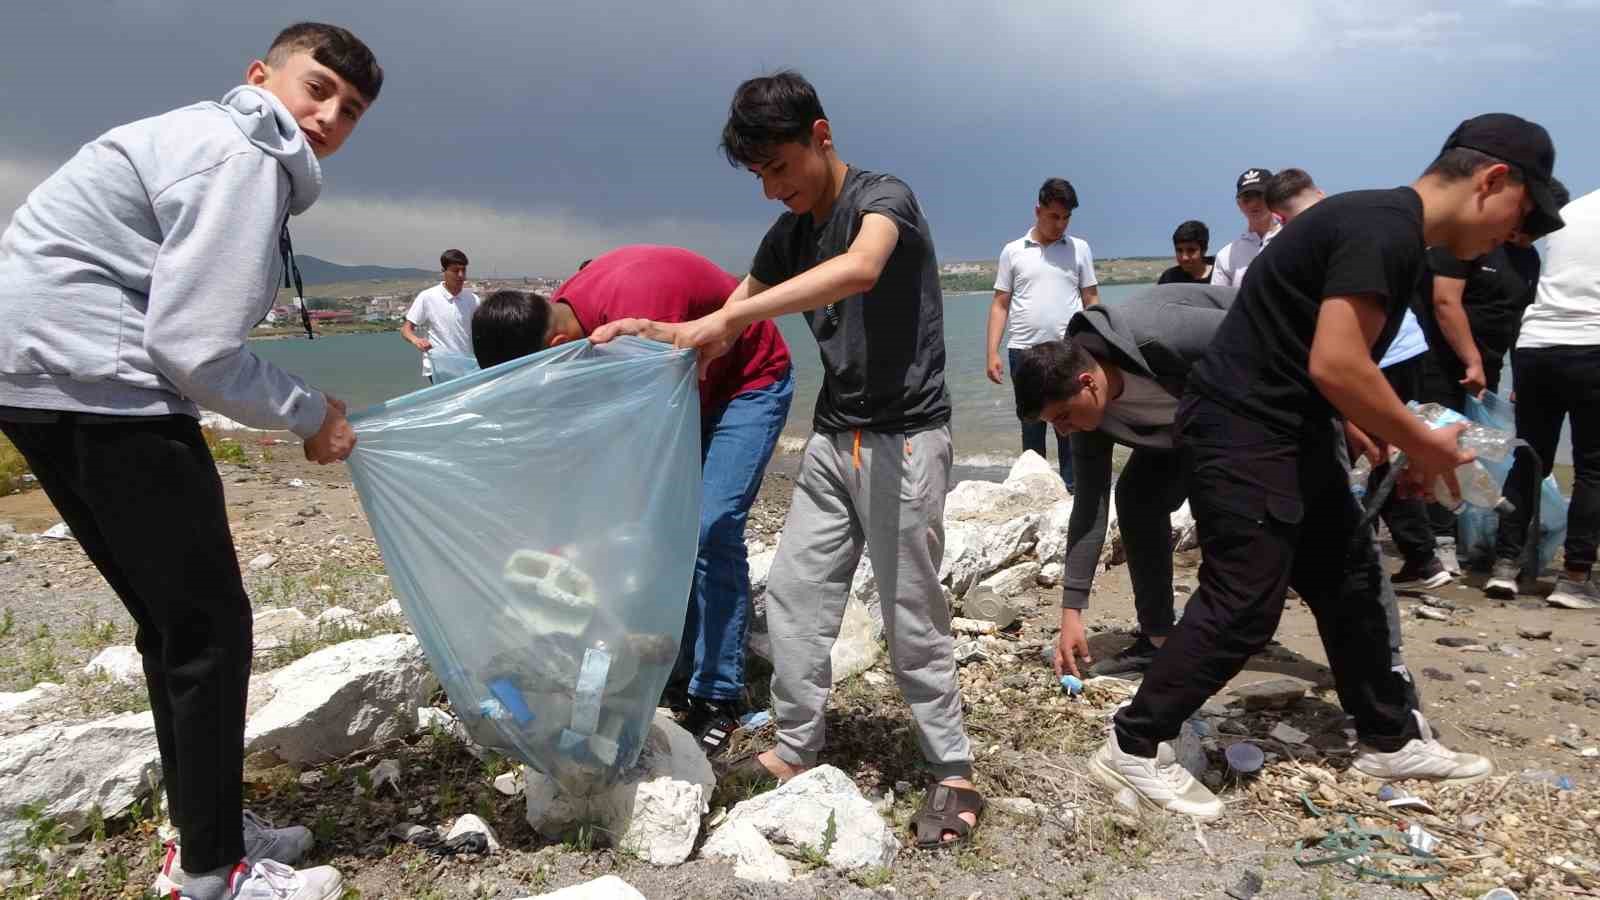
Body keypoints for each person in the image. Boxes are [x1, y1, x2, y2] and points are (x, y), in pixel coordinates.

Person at [0, 22, 381, 900]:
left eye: (350, 110)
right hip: (103, 385)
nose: (326, 116)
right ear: (261, 76)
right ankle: (212, 873)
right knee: (210, 630)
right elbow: (194, 346)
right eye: (316, 87)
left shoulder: (201, 137)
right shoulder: (243, 152)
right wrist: (307, 414)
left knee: (174, 626)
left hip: (40, 380)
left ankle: (203, 823)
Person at [1092, 113, 1561, 819]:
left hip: (1291, 423)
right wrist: (1426, 443)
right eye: (1521, 214)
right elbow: (1337, 361)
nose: (1514, 236)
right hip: (1243, 428)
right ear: (1494, 182)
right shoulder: (1386, 231)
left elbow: (1301, 341)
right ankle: (1131, 746)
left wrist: (1369, 428)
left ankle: (1388, 735)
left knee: (1346, 576)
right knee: (1245, 601)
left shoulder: (1384, 225)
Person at [594, 70, 983, 848]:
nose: (772, 189)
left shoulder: (883, 198)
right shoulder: (788, 234)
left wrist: (735, 312)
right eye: (759, 174)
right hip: (837, 436)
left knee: (910, 616)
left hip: (905, 438)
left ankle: (954, 771)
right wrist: (659, 332)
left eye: (779, 167)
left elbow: (861, 268)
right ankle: (799, 745)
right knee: (799, 596)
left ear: (821, 136)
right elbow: (723, 324)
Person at [470, 245, 794, 751]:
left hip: (744, 382)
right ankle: (678, 663)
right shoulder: (561, 317)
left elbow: (652, 422)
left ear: (556, 344)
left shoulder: (638, 310)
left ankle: (718, 694)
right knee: (664, 529)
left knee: (710, 528)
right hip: (683, 391)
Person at [1010, 283, 1236, 679]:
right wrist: (1071, 611)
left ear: (1087, 382)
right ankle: (1158, 641)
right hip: (1187, 429)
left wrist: (1343, 405)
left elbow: (1265, 332)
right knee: (1136, 498)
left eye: (1062, 416)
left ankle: (1381, 654)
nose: (1062, 432)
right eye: (1053, 424)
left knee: (1280, 522)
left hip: (1250, 404)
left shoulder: (1160, 333)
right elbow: (1089, 507)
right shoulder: (1087, 417)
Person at [1276, 169, 1451, 588]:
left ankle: (1415, 557)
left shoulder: (1315, 239)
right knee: (1377, 453)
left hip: (1376, 359)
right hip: (1401, 350)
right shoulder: (1357, 220)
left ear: (1281, 218)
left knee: (1373, 453)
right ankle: (1379, 552)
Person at [1419, 181, 1566, 572]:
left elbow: (1521, 320)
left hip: (1486, 368)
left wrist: (1521, 378)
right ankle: (1440, 541)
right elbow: (1445, 302)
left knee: (1473, 455)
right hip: (1438, 363)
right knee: (1439, 449)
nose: (1529, 233)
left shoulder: (1528, 259)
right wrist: (1471, 360)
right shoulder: (1467, 241)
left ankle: (1465, 536)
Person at [1485, 186, 1600, 609]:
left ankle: (1505, 565)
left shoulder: (1572, 211)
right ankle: (1574, 578)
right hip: (1592, 343)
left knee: (1532, 459)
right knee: (1594, 467)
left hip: (1537, 344)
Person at [985, 178, 1100, 491]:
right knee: (1032, 425)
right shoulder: (1013, 252)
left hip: (1069, 350)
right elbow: (1000, 304)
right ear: (1038, 210)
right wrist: (991, 352)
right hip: (1023, 350)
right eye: (1054, 216)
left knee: (1071, 424)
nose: (1060, 224)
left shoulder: (1080, 249)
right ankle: (1033, 489)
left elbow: (1091, 299)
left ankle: (1073, 490)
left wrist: (1098, 347)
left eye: (1066, 218)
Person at [402, 249, 480, 384]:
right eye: (456, 271)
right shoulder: (427, 297)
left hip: (467, 366)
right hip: (439, 367)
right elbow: (406, 329)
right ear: (444, 271)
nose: (461, 275)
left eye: (464, 270)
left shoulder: (473, 299)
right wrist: (416, 340)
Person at [1210, 168, 1281, 287]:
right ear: (1239, 204)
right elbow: (1218, 301)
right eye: (1247, 198)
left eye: (1259, 196)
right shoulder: (1226, 256)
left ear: (1274, 196)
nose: (1253, 204)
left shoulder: (1294, 240)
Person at [1157, 220, 1213, 285]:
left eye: (1191, 250)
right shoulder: (1169, 278)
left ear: (1204, 250)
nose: (1184, 258)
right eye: (1179, 250)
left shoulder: (1220, 275)